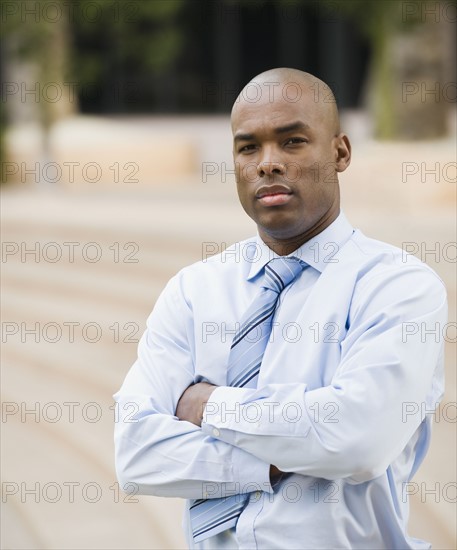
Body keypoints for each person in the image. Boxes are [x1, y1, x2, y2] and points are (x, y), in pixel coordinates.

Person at [113, 68, 447, 549]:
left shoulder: (398, 287)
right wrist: (279, 455)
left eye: (292, 142)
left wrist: (208, 405)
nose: (267, 163)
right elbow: (138, 454)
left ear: (340, 151)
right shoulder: (193, 291)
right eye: (248, 147)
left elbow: (356, 441)